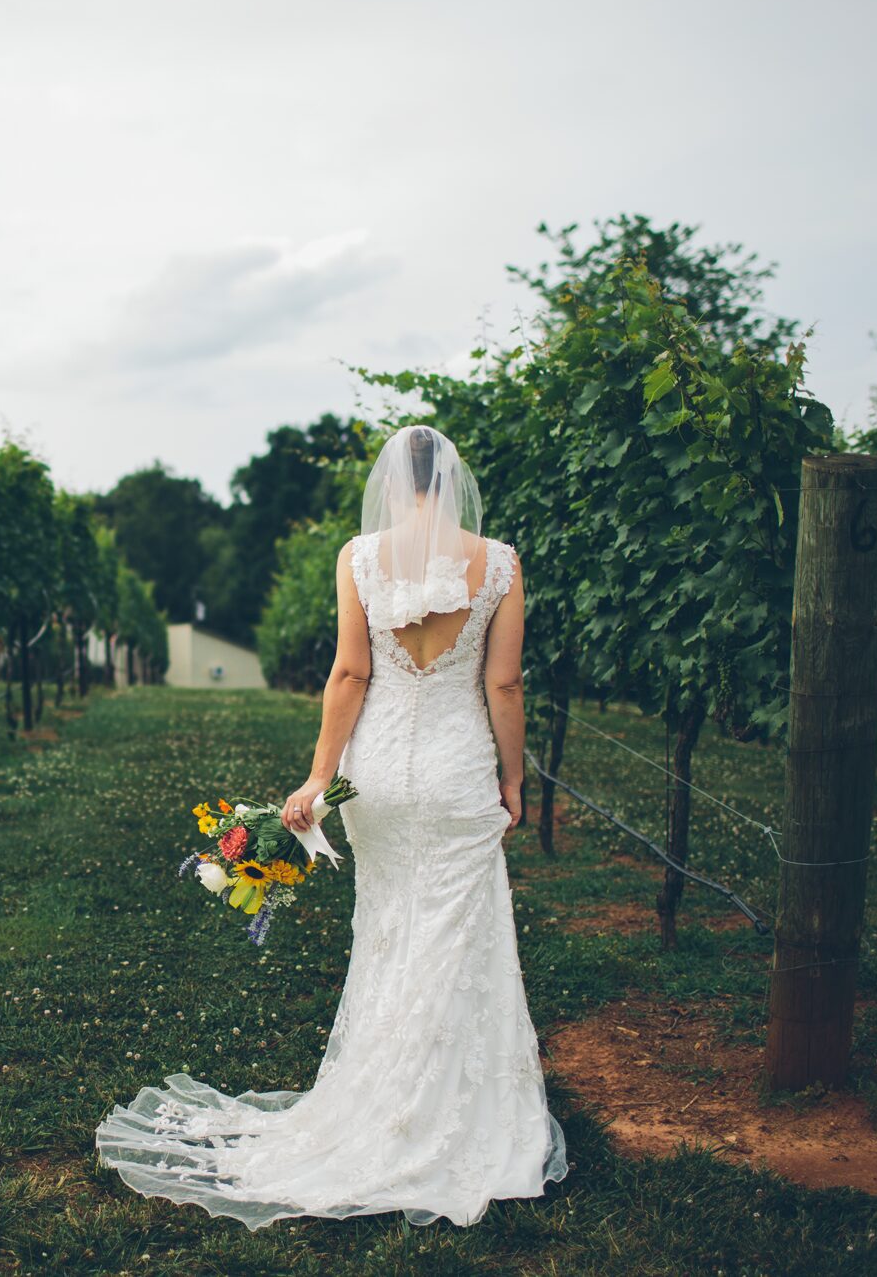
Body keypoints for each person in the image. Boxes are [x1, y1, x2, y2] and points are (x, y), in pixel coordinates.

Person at [93, 423, 569, 1229]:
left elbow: (351, 672)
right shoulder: (502, 563)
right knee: (456, 928)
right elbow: (507, 683)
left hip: (378, 774)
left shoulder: (361, 556)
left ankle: (384, 1097)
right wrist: (515, 777)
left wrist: (321, 775)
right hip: (457, 773)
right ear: (453, 480)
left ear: (395, 483)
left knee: (389, 928)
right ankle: (452, 1105)